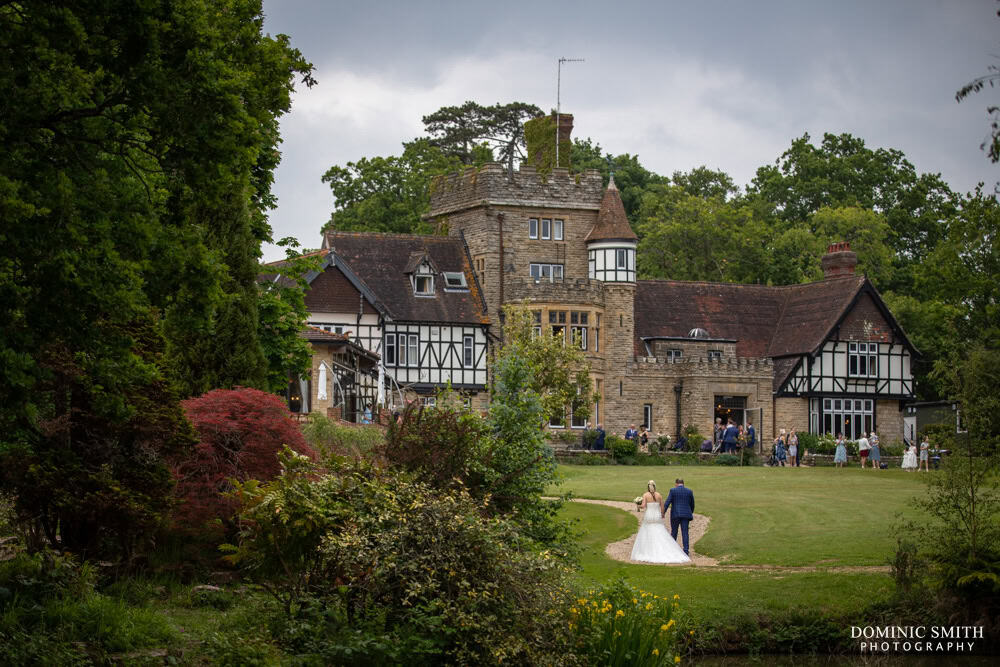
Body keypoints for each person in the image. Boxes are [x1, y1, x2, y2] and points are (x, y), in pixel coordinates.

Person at [629, 480, 690, 564]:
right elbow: (662, 507)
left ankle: (648, 550)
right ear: (655, 486)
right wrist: (662, 514)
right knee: (660, 531)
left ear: (648, 486)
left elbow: (643, 506)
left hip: (649, 516)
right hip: (657, 516)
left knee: (647, 531)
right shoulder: (659, 495)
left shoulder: (645, 495)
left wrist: (637, 505)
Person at [664, 478, 696, 557]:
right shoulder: (689, 491)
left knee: (674, 532)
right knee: (685, 532)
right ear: (683, 483)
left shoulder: (673, 490)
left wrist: (663, 512)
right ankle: (686, 550)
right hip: (686, 515)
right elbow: (692, 504)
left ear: (676, 483)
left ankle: (672, 549)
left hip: (675, 514)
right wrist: (690, 512)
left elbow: (668, 502)